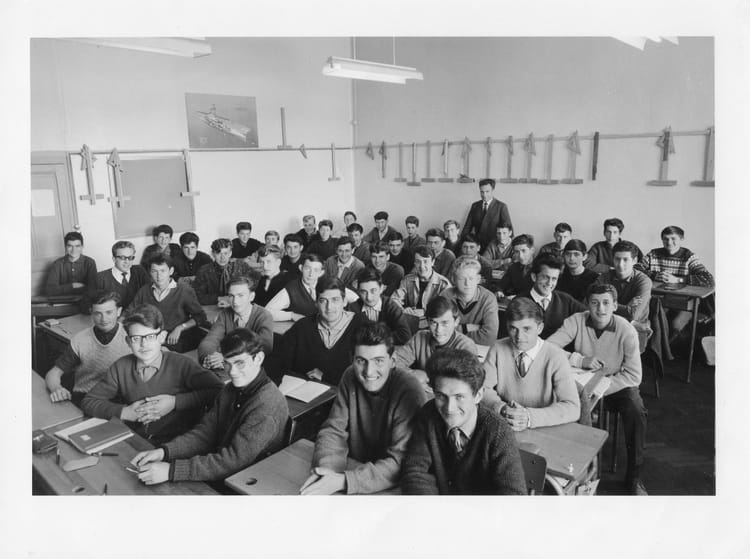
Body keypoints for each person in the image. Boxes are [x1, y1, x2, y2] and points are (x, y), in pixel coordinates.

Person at [131, 329, 288, 485]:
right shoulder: (231, 389)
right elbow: (205, 434)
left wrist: (171, 470)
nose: (232, 372)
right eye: (227, 363)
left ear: (258, 358)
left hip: (244, 482)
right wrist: (164, 452)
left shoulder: (267, 405)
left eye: (240, 363)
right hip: (220, 468)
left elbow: (233, 461)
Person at [300, 322, 426, 495]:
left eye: (378, 361)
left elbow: (400, 461)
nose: (369, 371)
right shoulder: (349, 375)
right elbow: (334, 430)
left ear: (393, 361)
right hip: (354, 472)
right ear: (352, 359)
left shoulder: (409, 389)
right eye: (361, 361)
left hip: (390, 486)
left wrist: (345, 481)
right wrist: (327, 471)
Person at [547, 284, 648, 495]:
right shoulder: (577, 320)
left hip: (615, 385)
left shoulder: (626, 330)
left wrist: (600, 388)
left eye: (606, 303)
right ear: (587, 304)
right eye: (594, 303)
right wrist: (579, 359)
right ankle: (570, 471)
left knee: (635, 407)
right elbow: (548, 348)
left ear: (615, 306)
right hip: (582, 384)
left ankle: (634, 475)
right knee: (553, 395)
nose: (600, 309)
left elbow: (634, 376)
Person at [81, 304, 223, 445]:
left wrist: (175, 402)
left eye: (150, 337)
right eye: (136, 338)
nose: (144, 344)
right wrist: (125, 412)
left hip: (178, 444)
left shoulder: (181, 364)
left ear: (162, 337)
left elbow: (219, 389)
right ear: (128, 342)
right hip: (136, 439)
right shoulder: (121, 367)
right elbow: (89, 402)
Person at [400, 349, 526, 495]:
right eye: (441, 396)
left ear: (478, 395)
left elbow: (513, 495)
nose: (449, 408)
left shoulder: (498, 432)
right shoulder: (428, 414)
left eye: (459, 397)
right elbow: (415, 471)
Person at [482, 297, 580, 430]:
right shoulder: (497, 348)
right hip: (505, 422)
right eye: (513, 328)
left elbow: (573, 407)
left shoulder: (556, 356)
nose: (519, 337)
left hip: (542, 427)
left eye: (526, 329)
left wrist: (529, 417)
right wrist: (501, 407)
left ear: (540, 328)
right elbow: (482, 389)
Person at [273, 277, 365, 385]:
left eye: (335, 300)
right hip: (305, 391)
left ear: (344, 302)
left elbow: (368, 372)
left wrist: (327, 377)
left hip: (345, 392)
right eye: (323, 301)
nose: (329, 307)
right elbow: (279, 362)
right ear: (316, 303)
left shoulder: (363, 326)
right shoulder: (302, 327)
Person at [45, 291, 131, 406]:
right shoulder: (80, 340)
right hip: (84, 398)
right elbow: (53, 373)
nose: (104, 319)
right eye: (98, 313)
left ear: (119, 311)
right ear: (91, 313)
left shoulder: (132, 337)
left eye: (109, 312)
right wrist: (56, 388)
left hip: (118, 400)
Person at [636, 225, 714, 333]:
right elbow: (635, 270)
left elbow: (708, 279)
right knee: (654, 321)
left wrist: (678, 279)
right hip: (658, 300)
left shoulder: (689, 256)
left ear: (681, 239)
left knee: (675, 325)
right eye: (666, 239)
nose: (669, 242)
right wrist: (654, 275)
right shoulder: (653, 254)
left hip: (682, 302)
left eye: (673, 239)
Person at [394, 296, 478, 392]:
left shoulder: (465, 346)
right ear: (427, 321)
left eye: (444, 323)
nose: (439, 330)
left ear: (456, 322)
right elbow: (395, 362)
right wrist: (413, 375)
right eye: (434, 323)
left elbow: (466, 384)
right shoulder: (419, 337)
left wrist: (429, 382)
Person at [198, 275, 274, 377]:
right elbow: (210, 340)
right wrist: (209, 358)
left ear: (252, 296)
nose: (235, 301)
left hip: (251, 371)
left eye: (240, 295)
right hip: (226, 368)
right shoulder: (225, 314)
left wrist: (227, 358)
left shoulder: (264, 316)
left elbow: (265, 348)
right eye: (231, 296)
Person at [128, 254, 207, 353]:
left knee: (161, 352)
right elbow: (129, 312)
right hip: (152, 336)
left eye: (162, 271)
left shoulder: (184, 290)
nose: (159, 276)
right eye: (154, 271)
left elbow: (200, 317)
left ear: (171, 271)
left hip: (176, 337)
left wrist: (180, 328)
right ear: (150, 272)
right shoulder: (144, 290)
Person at [516, 255, 586, 339]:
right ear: (534, 277)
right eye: (545, 277)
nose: (549, 283)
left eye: (554, 279)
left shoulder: (565, 299)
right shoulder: (519, 302)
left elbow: (588, 315)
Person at [440, 257, 499, 346]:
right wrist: (466, 328)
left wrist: (456, 329)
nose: (467, 283)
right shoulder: (446, 296)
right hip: (451, 347)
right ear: (453, 279)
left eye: (471, 278)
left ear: (478, 279)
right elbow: (440, 331)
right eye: (461, 279)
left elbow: (489, 337)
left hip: (479, 349)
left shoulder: (489, 299)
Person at [81, 241, 149, 313]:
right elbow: (85, 305)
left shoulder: (139, 272)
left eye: (130, 257)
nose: (127, 261)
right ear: (114, 259)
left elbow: (149, 295)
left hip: (138, 316)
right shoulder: (100, 278)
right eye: (122, 258)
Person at [595, 241, 652, 326]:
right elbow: (590, 304)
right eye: (617, 259)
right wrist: (627, 306)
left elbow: (633, 314)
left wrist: (606, 303)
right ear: (613, 259)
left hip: (635, 326)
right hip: (608, 322)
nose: (620, 265)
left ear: (634, 260)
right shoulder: (604, 277)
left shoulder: (644, 281)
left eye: (625, 260)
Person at [391, 246, 452, 325]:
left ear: (433, 262)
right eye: (418, 262)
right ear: (414, 263)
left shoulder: (443, 283)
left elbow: (446, 308)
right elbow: (394, 299)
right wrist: (403, 309)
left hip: (433, 323)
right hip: (411, 320)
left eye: (425, 261)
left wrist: (425, 311)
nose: (422, 266)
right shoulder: (407, 280)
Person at [349, 268, 411, 345]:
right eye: (364, 292)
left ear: (381, 289)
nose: (369, 297)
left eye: (373, 291)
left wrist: (374, 339)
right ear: (358, 291)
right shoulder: (352, 308)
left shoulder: (391, 306)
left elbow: (405, 335)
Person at [266, 253, 326, 321]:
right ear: (301, 268)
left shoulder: (327, 286)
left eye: (316, 270)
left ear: (321, 273)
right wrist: (291, 315)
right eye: (307, 268)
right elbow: (267, 312)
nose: (311, 274)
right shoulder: (292, 288)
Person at [193, 238, 253, 306]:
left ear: (230, 253)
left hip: (237, 305)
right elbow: (197, 297)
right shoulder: (203, 271)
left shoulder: (241, 267)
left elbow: (251, 290)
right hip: (213, 307)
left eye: (225, 253)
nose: (223, 257)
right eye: (218, 253)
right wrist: (220, 298)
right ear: (213, 253)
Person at [462, 178, 513, 251]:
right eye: (482, 192)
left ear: (493, 190)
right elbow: (467, 227)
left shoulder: (501, 206)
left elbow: (509, 229)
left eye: (487, 191)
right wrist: (463, 243)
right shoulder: (475, 206)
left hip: (494, 247)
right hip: (478, 246)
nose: (484, 195)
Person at [46, 231, 97, 296]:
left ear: (82, 247)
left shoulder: (90, 262)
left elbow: (93, 288)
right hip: (62, 300)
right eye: (70, 246)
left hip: (84, 299)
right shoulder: (57, 264)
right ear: (65, 247)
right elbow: (50, 290)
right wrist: (73, 286)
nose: (74, 250)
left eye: (77, 246)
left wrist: (61, 289)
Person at [495, 234, 535, 298]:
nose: (520, 256)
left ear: (532, 250)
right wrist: (499, 291)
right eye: (517, 252)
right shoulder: (513, 267)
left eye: (523, 251)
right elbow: (501, 285)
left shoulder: (540, 268)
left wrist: (517, 297)